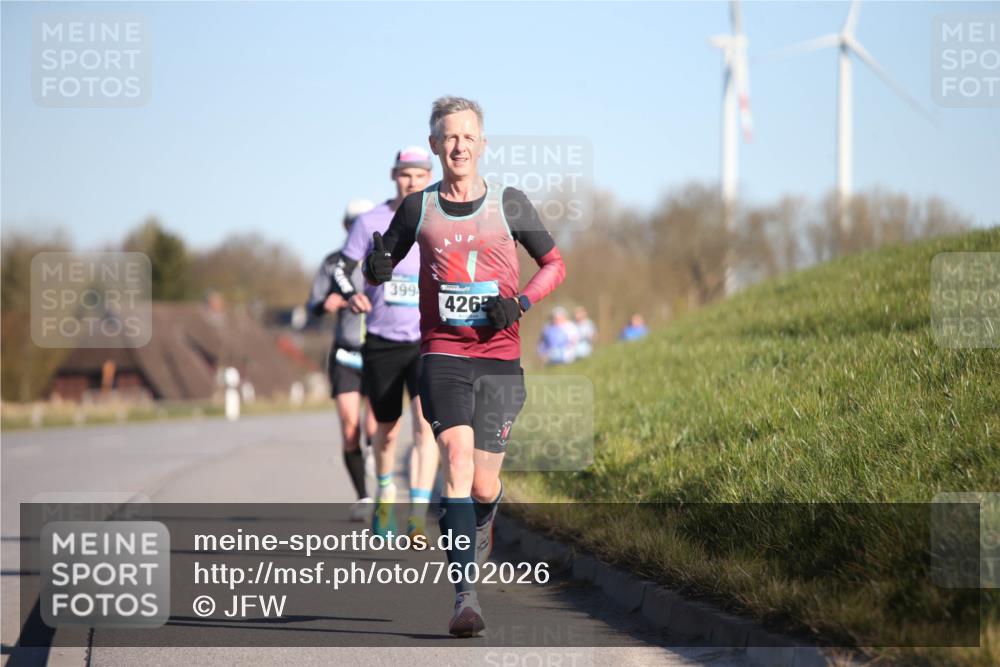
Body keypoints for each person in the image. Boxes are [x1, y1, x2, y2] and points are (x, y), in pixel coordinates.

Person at [362, 97, 566, 636]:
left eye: (468, 137)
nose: (459, 146)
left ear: (482, 143)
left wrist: (518, 304)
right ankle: (464, 599)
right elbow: (383, 266)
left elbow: (554, 264)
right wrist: (375, 266)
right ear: (435, 145)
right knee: (454, 458)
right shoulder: (417, 209)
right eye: (449, 137)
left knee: (481, 485)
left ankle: (486, 516)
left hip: (499, 356)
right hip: (443, 353)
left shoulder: (509, 203)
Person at [331, 148, 440, 541]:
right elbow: (340, 271)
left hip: (427, 339)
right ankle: (385, 494)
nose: (412, 182)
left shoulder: (438, 216)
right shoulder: (370, 221)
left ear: (429, 177)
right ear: (394, 176)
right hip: (381, 339)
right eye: (405, 175)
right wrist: (351, 295)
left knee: (426, 428)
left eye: (419, 176)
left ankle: (417, 516)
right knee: (388, 431)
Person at [306, 198, 378, 521]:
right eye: (353, 224)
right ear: (345, 226)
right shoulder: (332, 263)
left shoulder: (385, 259)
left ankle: (380, 467)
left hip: (379, 351)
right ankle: (363, 496)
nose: (358, 229)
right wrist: (326, 304)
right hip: (346, 352)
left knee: (376, 427)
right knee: (350, 427)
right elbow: (312, 306)